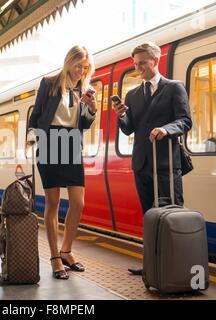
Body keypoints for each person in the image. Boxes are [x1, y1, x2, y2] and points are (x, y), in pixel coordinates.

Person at [113, 42, 192, 275]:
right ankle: (151, 265)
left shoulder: (174, 88)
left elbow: (185, 121)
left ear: (156, 61)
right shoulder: (133, 94)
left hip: (167, 164)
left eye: (143, 63)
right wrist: (121, 117)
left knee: (171, 213)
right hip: (142, 163)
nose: (139, 69)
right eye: (136, 65)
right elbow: (129, 129)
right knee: (149, 215)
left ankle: (175, 266)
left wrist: (166, 129)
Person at [27, 46, 97, 280]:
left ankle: (67, 250)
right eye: (78, 66)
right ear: (69, 62)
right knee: (53, 203)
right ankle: (55, 257)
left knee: (78, 202)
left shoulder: (85, 89)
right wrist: (31, 135)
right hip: (49, 142)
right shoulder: (49, 83)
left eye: (85, 67)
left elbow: (84, 125)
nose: (81, 71)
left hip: (71, 144)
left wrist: (92, 109)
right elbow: (36, 114)